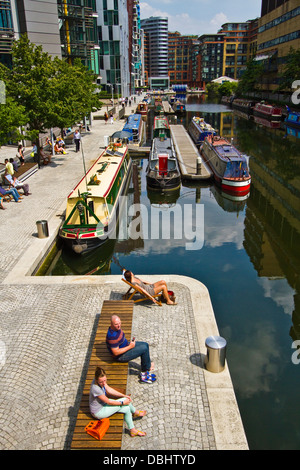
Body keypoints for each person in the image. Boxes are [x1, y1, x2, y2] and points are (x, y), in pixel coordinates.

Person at [89, 367, 146, 437]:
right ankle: (135, 412)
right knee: (124, 401)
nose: (104, 383)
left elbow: (109, 389)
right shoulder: (96, 389)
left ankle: (133, 430)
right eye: (101, 382)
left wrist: (123, 395)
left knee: (127, 408)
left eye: (105, 380)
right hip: (99, 412)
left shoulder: (99, 381)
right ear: (96, 379)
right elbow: (108, 402)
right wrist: (122, 403)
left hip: (104, 404)